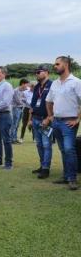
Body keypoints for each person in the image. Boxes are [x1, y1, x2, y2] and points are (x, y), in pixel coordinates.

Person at [44, 56, 81, 190]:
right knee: (63, 150)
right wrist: (50, 116)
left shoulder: (76, 82)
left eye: (57, 64)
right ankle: (66, 176)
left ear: (66, 65)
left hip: (69, 123)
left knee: (69, 149)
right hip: (57, 122)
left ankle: (72, 179)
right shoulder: (55, 83)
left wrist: (77, 119)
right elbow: (48, 101)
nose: (55, 66)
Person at [28, 65, 53, 179]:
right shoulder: (37, 86)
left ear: (46, 72)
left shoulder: (52, 85)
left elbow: (55, 103)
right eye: (36, 72)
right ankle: (42, 165)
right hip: (36, 119)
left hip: (46, 119)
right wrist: (30, 119)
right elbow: (32, 105)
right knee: (39, 144)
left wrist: (48, 118)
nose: (36, 74)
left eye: (39, 72)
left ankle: (46, 169)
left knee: (46, 145)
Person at [10, 78, 29, 144]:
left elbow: (24, 99)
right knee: (14, 124)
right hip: (16, 109)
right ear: (23, 84)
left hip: (21, 109)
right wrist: (25, 102)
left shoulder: (23, 91)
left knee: (17, 124)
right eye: (26, 84)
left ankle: (15, 138)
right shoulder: (16, 91)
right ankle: (12, 139)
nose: (27, 86)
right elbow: (19, 101)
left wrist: (24, 101)